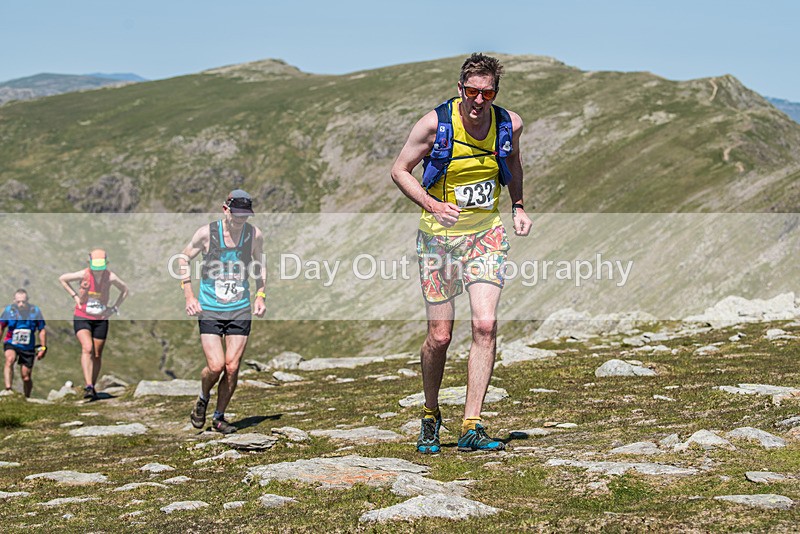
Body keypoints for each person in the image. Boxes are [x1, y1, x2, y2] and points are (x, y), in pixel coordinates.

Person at [391, 53, 533, 453]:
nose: (478, 100)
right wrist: (432, 205)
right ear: (460, 89)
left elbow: (513, 160)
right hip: (438, 238)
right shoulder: (435, 124)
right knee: (440, 336)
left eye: (487, 93)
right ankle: (431, 414)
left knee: (485, 327)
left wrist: (518, 206)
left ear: (495, 93)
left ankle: (472, 425)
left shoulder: (509, 123)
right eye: (472, 92)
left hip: (485, 234)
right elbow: (399, 169)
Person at [177, 189, 266, 435]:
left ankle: (219, 417)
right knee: (215, 366)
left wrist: (260, 295)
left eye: (245, 216)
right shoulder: (206, 233)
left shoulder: (254, 235)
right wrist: (189, 295)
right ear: (225, 209)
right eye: (236, 215)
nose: (240, 220)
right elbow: (183, 259)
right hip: (210, 309)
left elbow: (260, 266)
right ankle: (203, 397)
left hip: (239, 309)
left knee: (232, 367)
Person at [59, 248, 129, 400]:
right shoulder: (84, 274)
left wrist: (114, 308)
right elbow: (63, 279)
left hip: (101, 319)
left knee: (97, 354)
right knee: (87, 348)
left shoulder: (110, 277)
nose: (97, 271)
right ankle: (88, 385)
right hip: (82, 316)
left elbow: (124, 290)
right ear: (89, 263)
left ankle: (92, 387)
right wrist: (75, 297)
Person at [1, 289, 47, 398]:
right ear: (14, 301)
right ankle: (8, 389)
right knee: (9, 359)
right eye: (18, 302)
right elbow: (1, 326)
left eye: (23, 302)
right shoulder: (9, 311)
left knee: (26, 377)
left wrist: (43, 347)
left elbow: (42, 330)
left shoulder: (35, 311)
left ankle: (27, 397)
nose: (21, 304)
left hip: (28, 346)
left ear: (28, 301)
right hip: (11, 342)